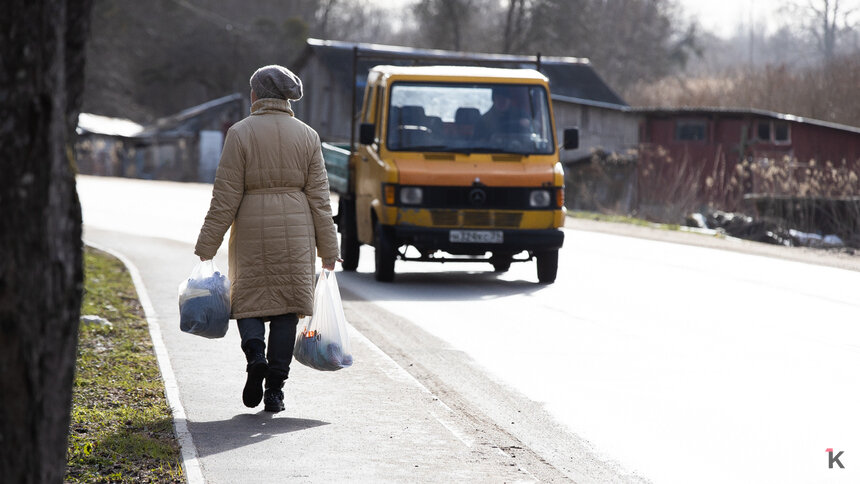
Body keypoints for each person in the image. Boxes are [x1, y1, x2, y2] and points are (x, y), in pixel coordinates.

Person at [195, 65, 340, 413]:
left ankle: (255, 355)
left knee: (248, 301)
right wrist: (329, 250)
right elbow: (320, 198)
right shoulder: (307, 136)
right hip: (297, 231)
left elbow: (225, 196)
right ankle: (275, 388)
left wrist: (207, 245)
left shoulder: (240, 133)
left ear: (257, 94)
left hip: (251, 230)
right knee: (287, 309)